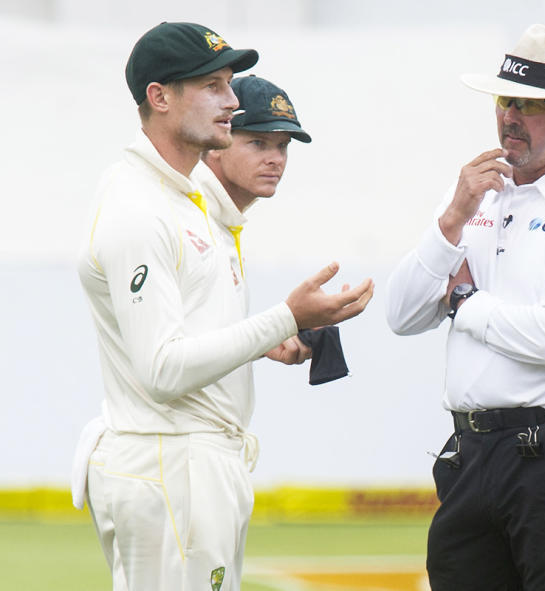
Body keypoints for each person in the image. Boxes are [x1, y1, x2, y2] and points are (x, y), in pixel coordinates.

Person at [74, 22, 373, 591]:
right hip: (170, 465)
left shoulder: (179, 198)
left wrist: (268, 338)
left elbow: (185, 336)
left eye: (230, 84)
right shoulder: (140, 206)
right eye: (213, 85)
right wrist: (286, 318)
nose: (232, 102)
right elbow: (162, 370)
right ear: (159, 97)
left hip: (193, 464)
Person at [386, 24, 545, 591]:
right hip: (473, 452)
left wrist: (462, 302)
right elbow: (401, 314)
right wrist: (451, 217)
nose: (509, 117)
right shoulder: (478, 194)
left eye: (530, 104)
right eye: (505, 100)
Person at [199, 74, 315, 366]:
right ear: (215, 143)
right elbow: (166, 363)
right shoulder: (191, 220)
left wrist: (265, 343)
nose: (275, 158)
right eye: (258, 143)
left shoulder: (222, 220)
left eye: (283, 145)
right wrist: (285, 318)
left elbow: (200, 339)